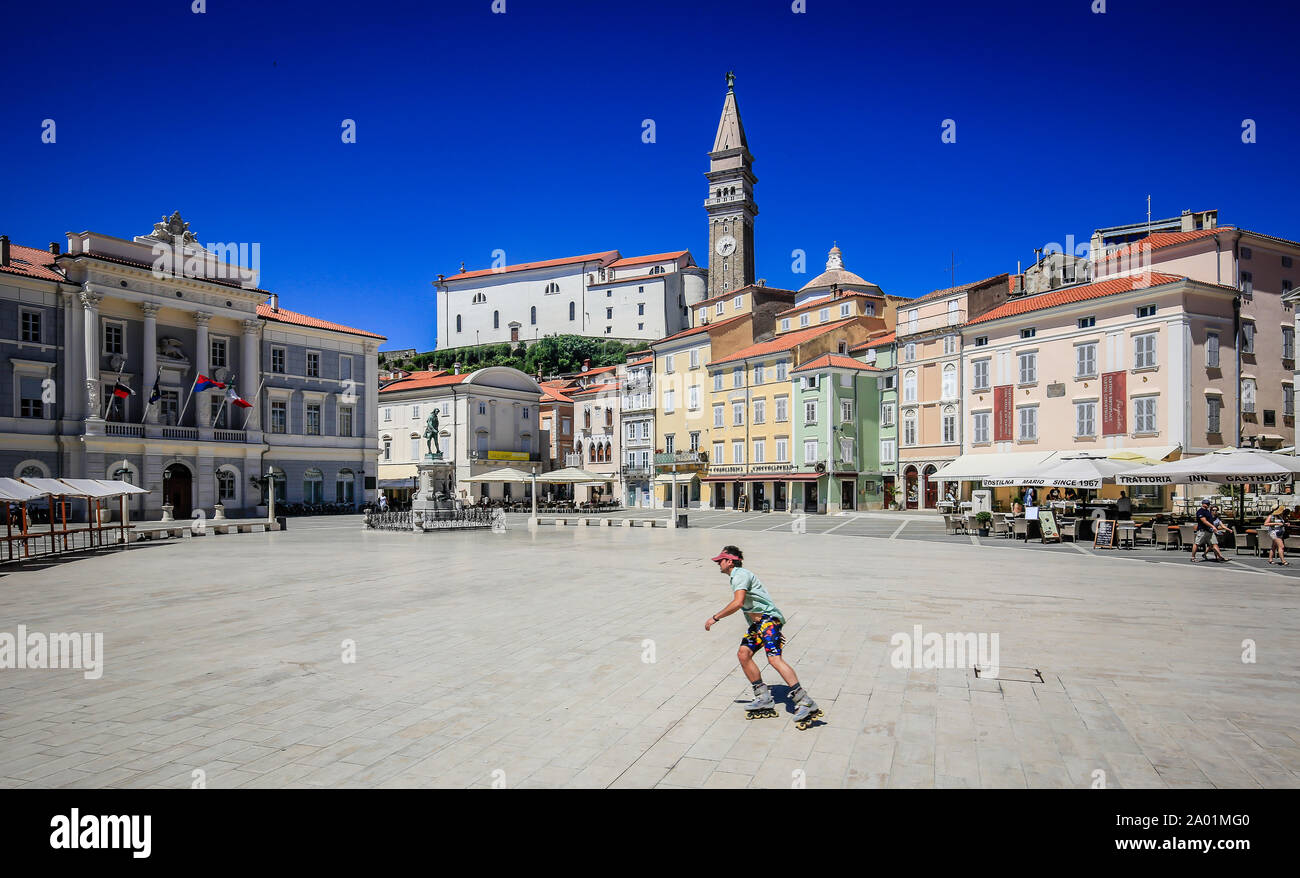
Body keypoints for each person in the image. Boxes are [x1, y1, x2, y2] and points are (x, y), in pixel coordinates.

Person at [705, 545, 823, 728]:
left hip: (767, 621)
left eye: (720, 561)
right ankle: (763, 697)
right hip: (760, 626)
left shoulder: (740, 574)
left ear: (729, 561)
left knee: (774, 659)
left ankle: (804, 701)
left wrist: (715, 618)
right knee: (743, 654)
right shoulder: (737, 576)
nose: (718, 564)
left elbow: (738, 603)